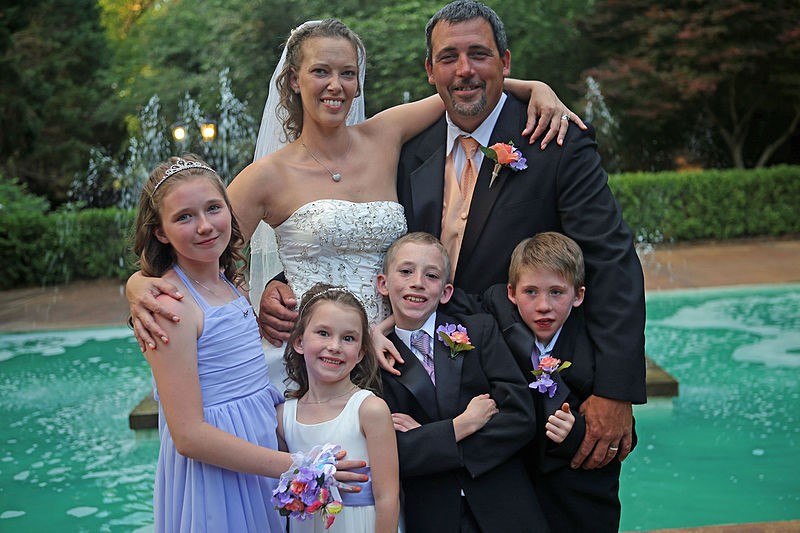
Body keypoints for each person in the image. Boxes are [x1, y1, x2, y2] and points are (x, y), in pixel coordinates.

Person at [126, 18, 582, 393]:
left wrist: (537, 87)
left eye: (348, 73)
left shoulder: (385, 135)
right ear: (294, 79)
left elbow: (461, 90)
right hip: (318, 360)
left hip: (397, 349)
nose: (336, 85)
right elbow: (203, 246)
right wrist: (139, 284)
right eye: (321, 71)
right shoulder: (267, 175)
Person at [392, 0, 647, 474]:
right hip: (438, 397)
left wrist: (615, 390)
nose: (464, 70)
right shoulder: (407, 149)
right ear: (430, 70)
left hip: (547, 398)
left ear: (505, 63)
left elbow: (611, 260)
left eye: (479, 54)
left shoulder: (556, 141)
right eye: (449, 57)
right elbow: (362, 231)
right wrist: (287, 278)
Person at [130, 155, 366, 532]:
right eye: (184, 217)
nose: (205, 226)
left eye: (213, 208)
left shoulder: (229, 283)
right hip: (217, 477)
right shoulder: (170, 306)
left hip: (259, 462)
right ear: (160, 232)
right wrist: (297, 465)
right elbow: (188, 435)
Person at [376, 232, 545, 533]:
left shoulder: (479, 331)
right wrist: (460, 426)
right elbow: (394, 452)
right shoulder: (375, 363)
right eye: (405, 271)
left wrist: (430, 440)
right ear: (383, 284)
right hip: (433, 514)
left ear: (445, 291)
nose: (417, 282)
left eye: (431, 275)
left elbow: (520, 416)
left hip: (505, 506)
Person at [484, 232, 625, 532]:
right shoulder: (498, 329)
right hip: (519, 500)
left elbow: (625, 436)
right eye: (531, 292)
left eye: (557, 292)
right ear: (512, 293)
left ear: (579, 295)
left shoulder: (599, 351)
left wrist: (577, 433)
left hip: (581, 505)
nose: (543, 305)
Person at [276, 283, 399, 532]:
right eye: (323, 333)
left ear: (362, 353)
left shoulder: (369, 409)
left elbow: (388, 497)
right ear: (299, 342)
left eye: (348, 338)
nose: (335, 346)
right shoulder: (284, 416)